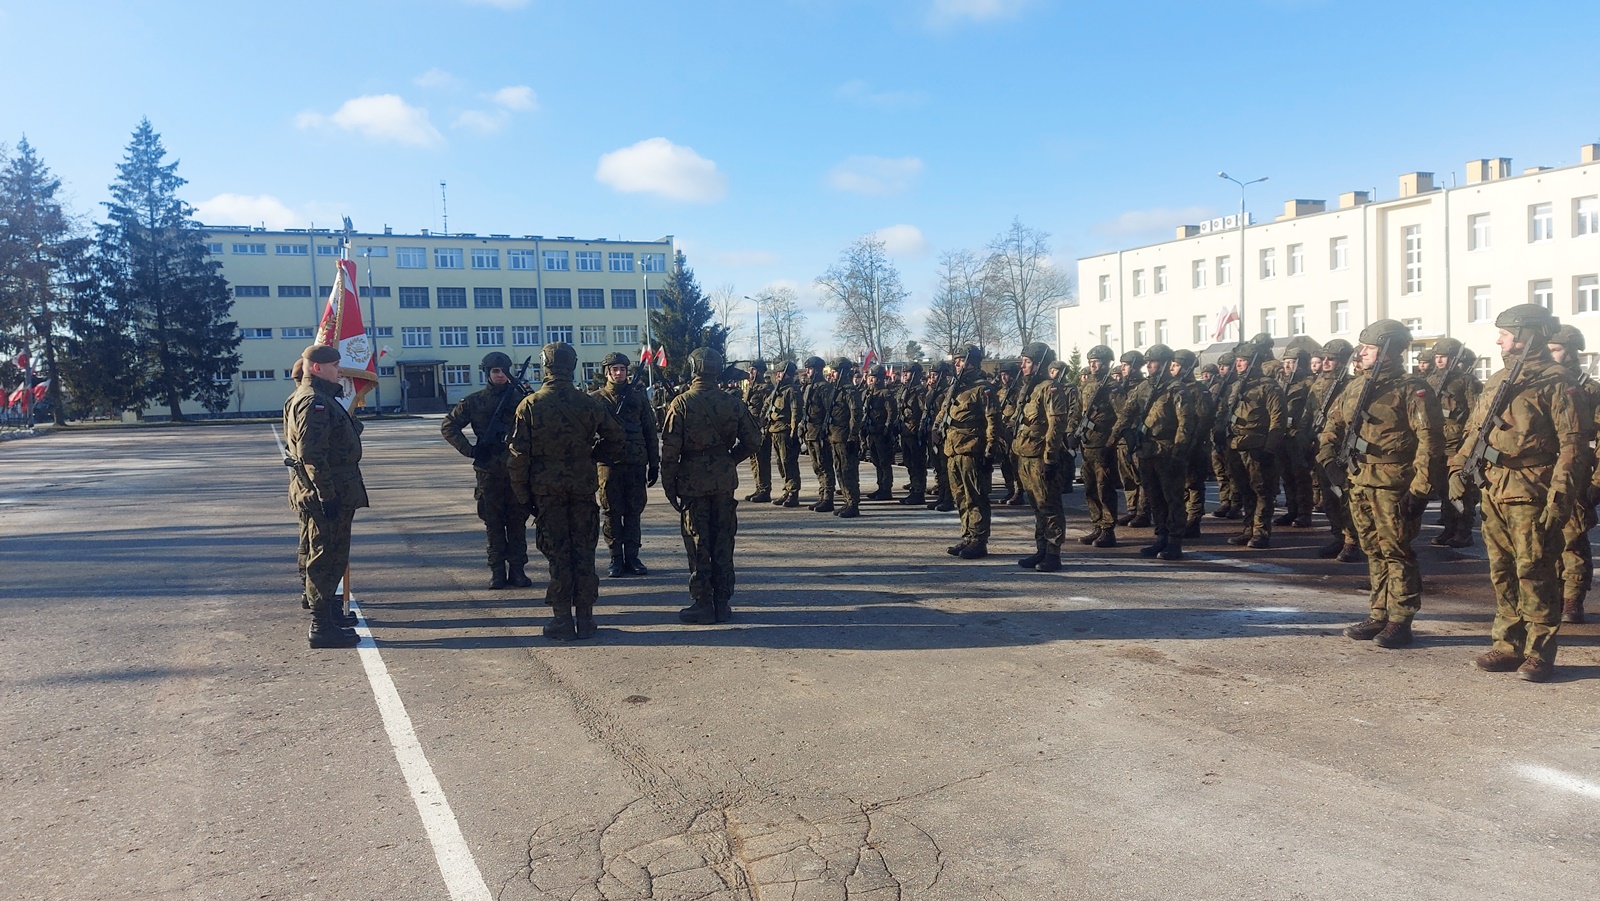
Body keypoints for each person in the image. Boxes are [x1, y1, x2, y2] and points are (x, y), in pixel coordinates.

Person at [1452, 305, 1581, 681]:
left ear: (1527, 336)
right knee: (1502, 570)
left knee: (1535, 570)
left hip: (1532, 490)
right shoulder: (1497, 381)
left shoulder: (1557, 381)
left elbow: (1573, 447)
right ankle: (1508, 644)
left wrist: (1560, 498)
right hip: (1494, 488)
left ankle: (1540, 652)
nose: (1498, 341)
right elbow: (1475, 431)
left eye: (1505, 334)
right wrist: (1458, 468)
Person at [1318, 320, 1443, 649]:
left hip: (1393, 483)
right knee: (1373, 550)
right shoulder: (1357, 386)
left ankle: (1400, 620)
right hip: (1360, 479)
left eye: (1369, 349)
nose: (1362, 353)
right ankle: (1379, 613)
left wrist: (1420, 490)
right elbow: (1333, 423)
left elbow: (1430, 443)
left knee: (1397, 552)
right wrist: (1328, 459)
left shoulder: (1412, 389)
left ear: (1388, 351)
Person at [508, 342, 625, 641]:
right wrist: (592, 455)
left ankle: (562, 619)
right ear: (572, 366)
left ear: (545, 365)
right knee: (583, 553)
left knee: (558, 556)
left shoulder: (531, 404)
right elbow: (616, 437)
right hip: (582, 488)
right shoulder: (589, 403)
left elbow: (518, 456)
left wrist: (523, 495)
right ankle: (585, 619)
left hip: (547, 491)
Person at [660, 347, 763, 624]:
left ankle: (703, 602)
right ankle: (722, 603)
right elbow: (754, 440)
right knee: (723, 541)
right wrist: (729, 458)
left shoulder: (681, 404)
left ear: (694, 368)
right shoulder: (734, 403)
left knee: (698, 542)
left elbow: (670, 452)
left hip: (692, 482)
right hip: (723, 480)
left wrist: (669, 486)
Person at [284, 344, 368, 649]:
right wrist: (326, 494)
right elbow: (312, 454)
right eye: (335, 365)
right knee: (326, 554)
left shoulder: (319, 398)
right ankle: (321, 625)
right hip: (328, 490)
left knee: (328, 552)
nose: (340, 370)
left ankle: (328, 612)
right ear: (317, 368)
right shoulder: (313, 402)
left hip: (332, 487)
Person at [441, 351, 533, 589]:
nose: (500, 375)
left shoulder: (521, 400)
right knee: (493, 524)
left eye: (503, 371)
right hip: (488, 471)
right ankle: (497, 572)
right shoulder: (474, 401)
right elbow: (449, 426)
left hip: (516, 471)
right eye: (495, 371)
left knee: (516, 523)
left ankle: (518, 570)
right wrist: (470, 450)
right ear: (487, 373)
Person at [1116, 344, 1195, 561]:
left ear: (1166, 363)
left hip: (1168, 452)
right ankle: (1161, 537)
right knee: (1154, 498)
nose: (1149, 365)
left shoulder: (1176, 389)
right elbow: (1127, 413)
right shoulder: (1143, 388)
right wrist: (1117, 437)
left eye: (1154, 362)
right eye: (1148, 362)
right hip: (1146, 451)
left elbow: (1185, 424)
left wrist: (1179, 451)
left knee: (1173, 499)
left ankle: (1174, 542)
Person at [592, 351, 660, 578]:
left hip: (635, 462)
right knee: (611, 512)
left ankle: (632, 557)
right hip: (608, 465)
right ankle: (615, 558)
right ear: (607, 373)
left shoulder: (638, 397)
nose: (619, 373)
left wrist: (654, 463)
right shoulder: (596, 399)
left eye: (622, 369)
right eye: (614, 369)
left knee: (633, 512)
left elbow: (650, 431)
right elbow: (586, 434)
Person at [1011, 342, 1072, 571]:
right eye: (1023, 361)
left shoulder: (1050, 388)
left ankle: (1054, 553)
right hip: (1025, 455)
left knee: (1049, 505)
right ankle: (1041, 549)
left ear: (1039, 364)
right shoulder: (1030, 388)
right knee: (1037, 506)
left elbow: (1056, 425)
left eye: (1027, 362)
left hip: (1040, 457)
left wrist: (1050, 458)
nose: (1023, 366)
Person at [1224, 334, 1286, 548]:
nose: (1238, 364)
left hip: (1257, 447)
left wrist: (1270, 449)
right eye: (1238, 360)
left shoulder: (1269, 387)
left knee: (1262, 491)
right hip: (1236, 446)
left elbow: (1278, 420)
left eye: (1243, 360)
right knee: (1245, 490)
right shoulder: (1237, 386)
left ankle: (1261, 532)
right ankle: (1248, 528)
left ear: (1253, 362)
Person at [941, 345, 1003, 558]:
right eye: (956, 360)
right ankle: (967, 536)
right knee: (960, 496)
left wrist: (990, 450)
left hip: (972, 449)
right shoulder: (956, 387)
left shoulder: (982, 388)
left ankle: (979, 540)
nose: (957, 363)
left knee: (975, 496)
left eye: (961, 360)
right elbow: (944, 412)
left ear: (974, 362)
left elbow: (993, 421)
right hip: (953, 449)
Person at [1307, 339, 1363, 562]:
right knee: (1329, 498)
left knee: (1345, 496)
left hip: (1344, 448)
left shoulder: (1352, 385)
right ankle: (1338, 536)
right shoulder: (1318, 384)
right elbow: (1308, 414)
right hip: (1323, 446)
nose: (1326, 362)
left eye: (1332, 359)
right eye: (1324, 359)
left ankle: (1352, 541)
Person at [1426, 337, 1482, 548]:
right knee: (1443, 490)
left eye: (1445, 357)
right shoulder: (1431, 381)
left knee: (1459, 490)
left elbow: (1476, 412)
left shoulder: (1467, 381)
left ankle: (1463, 531)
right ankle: (1449, 528)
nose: (1440, 361)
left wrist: (1468, 440)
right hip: (1438, 442)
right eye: (1438, 357)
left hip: (1458, 444)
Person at [1071, 345, 1121, 547]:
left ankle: (1108, 529)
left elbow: (1122, 416)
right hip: (1087, 443)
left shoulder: (1112, 387)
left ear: (1107, 363)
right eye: (1090, 361)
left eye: (1097, 361)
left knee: (1104, 487)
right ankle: (1097, 525)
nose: (1092, 365)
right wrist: (1071, 431)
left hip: (1103, 445)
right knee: (1090, 487)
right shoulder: (1087, 386)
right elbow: (1077, 411)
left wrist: (1112, 440)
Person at [1274, 336, 1321, 529]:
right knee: (1286, 475)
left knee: (1301, 476)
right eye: (1285, 362)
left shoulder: (1310, 383)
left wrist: (1308, 435)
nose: (1287, 366)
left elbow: (1314, 411)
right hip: (1283, 434)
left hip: (1299, 435)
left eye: (1291, 362)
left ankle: (1304, 513)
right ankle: (1292, 509)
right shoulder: (1281, 383)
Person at [1112, 351, 1149, 527]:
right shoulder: (1122, 386)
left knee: (1141, 476)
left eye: (1126, 365)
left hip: (1136, 436)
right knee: (1127, 477)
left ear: (1135, 366)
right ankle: (1131, 509)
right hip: (1122, 439)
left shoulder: (1144, 386)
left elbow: (1128, 410)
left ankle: (1143, 513)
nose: (1122, 368)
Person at [824, 358, 865, 517]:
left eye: (834, 371)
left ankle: (853, 504)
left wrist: (852, 436)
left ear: (842, 372)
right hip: (835, 436)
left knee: (848, 471)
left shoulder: (850, 391)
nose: (832, 374)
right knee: (839, 470)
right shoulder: (837, 390)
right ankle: (847, 501)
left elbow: (856, 414)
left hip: (845, 437)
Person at [796, 356, 836, 512]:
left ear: (818, 370)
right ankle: (822, 496)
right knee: (817, 466)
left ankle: (828, 498)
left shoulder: (824, 388)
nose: (807, 371)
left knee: (825, 465)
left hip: (820, 433)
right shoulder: (808, 387)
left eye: (810, 368)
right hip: (810, 432)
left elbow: (828, 410)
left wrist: (825, 431)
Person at [765, 361, 802, 507]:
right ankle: (787, 489)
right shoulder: (777, 391)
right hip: (774, 430)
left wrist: (793, 431)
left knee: (788, 462)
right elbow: (767, 407)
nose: (778, 375)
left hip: (785, 431)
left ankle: (793, 492)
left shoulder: (792, 391)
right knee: (780, 463)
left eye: (780, 372)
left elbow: (795, 412)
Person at [922, 363, 956, 512]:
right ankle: (941, 496)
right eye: (931, 375)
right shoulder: (932, 392)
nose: (932, 377)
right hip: (933, 433)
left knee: (945, 468)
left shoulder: (948, 391)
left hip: (944, 435)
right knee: (938, 467)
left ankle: (948, 498)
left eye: (935, 375)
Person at [862, 365, 898, 501]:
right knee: (876, 461)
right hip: (872, 432)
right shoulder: (869, 393)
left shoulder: (885, 393)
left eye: (874, 377)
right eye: (870, 377)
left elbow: (891, 412)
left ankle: (886, 488)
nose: (871, 380)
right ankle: (880, 486)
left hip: (882, 432)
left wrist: (887, 428)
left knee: (884, 462)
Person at [741, 359, 774, 503]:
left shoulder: (766, 388)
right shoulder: (751, 388)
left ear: (760, 371)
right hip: (751, 428)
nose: (750, 372)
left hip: (761, 429)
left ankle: (765, 490)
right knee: (754, 460)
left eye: (753, 370)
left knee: (762, 460)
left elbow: (768, 410)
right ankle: (759, 487)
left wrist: (764, 428)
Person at [896, 363, 928, 505]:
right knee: (909, 462)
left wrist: (921, 429)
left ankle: (919, 492)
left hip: (915, 432)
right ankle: (914, 487)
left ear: (915, 374)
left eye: (908, 372)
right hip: (905, 431)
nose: (905, 375)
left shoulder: (920, 391)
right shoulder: (904, 389)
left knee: (917, 463)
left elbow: (924, 412)